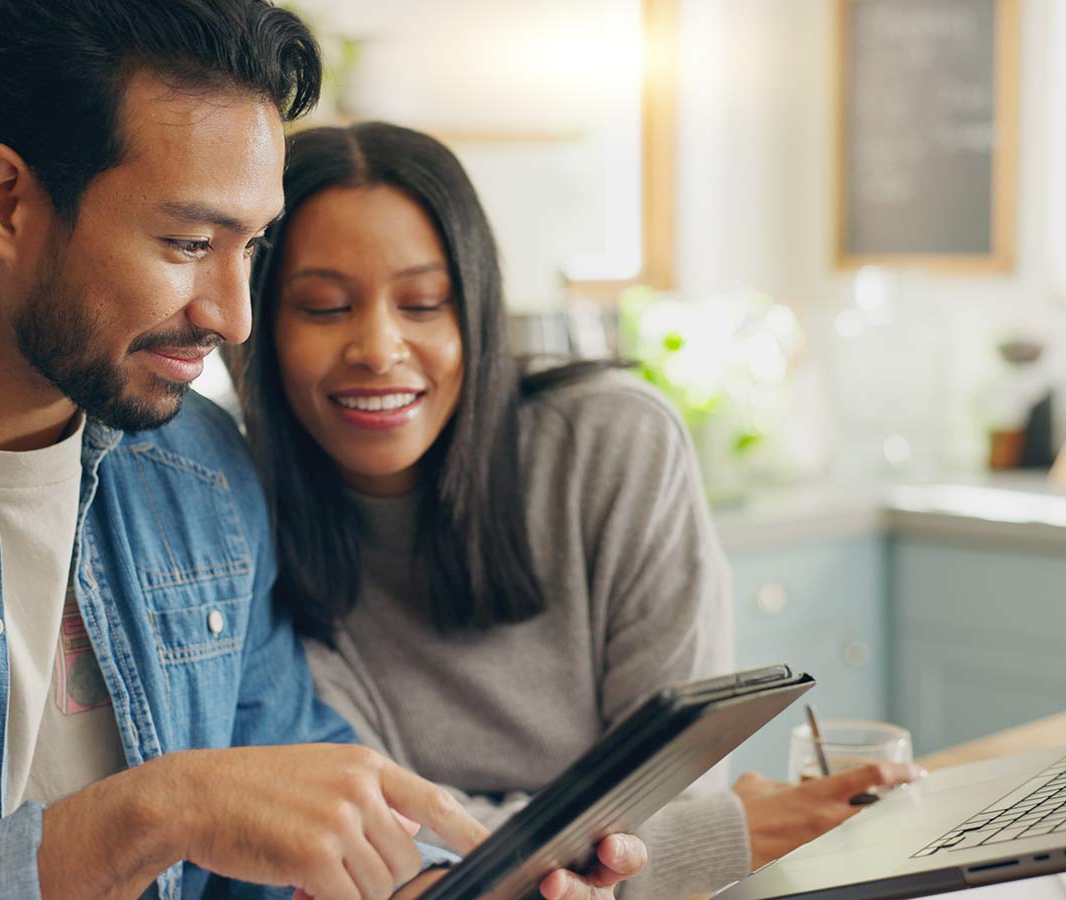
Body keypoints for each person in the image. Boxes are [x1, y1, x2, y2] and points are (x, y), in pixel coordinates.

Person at [0, 7, 646, 900]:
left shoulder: (197, 468)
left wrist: (449, 878)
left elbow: (284, 801)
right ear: (6, 202)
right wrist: (154, 813)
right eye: (188, 246)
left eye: (252, 248)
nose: (236, 318)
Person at [233, 122, 923, 898]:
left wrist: (514, 860)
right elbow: (378, 851)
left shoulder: (613, 444)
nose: (379, 347)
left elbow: (675, 779)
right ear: (259, 322)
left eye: (424, 303)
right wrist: (721, 835)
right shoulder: (235, 506)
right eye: (324, 307)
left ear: (478, 315)